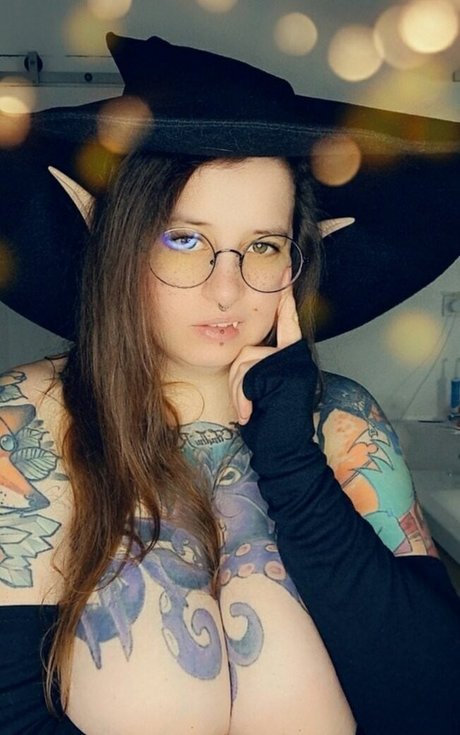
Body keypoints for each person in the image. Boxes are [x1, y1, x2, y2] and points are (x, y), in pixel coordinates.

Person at [0, 33, 459, 735]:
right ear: (118, 241)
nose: (227, 289)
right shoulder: (28, 419)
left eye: (263, 246)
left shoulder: (340, 422)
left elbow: (432, 701)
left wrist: (291, 462)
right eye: (184, 239)